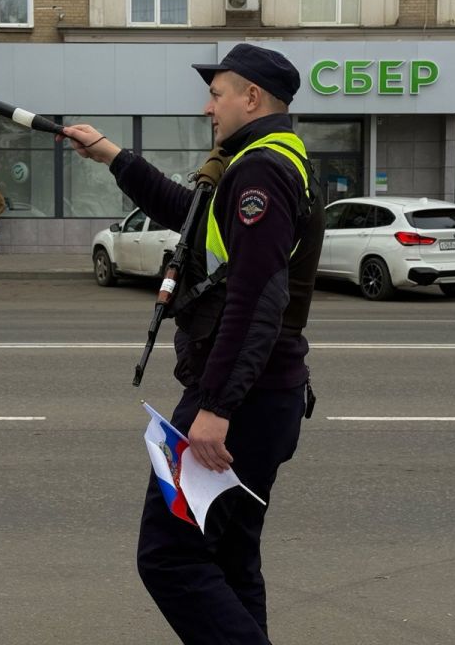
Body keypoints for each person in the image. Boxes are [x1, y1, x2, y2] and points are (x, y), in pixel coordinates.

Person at [62, 43, 325, 644]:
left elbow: (257, 298)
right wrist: (110, 154)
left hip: (242, 403)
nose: (209, 108)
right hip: (266, 395)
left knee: (170, 557)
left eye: (217, 94)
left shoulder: (260, 170)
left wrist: (216, 408)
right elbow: (190, 213)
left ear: (250, 97)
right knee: (231, 562)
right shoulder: (268, 159)